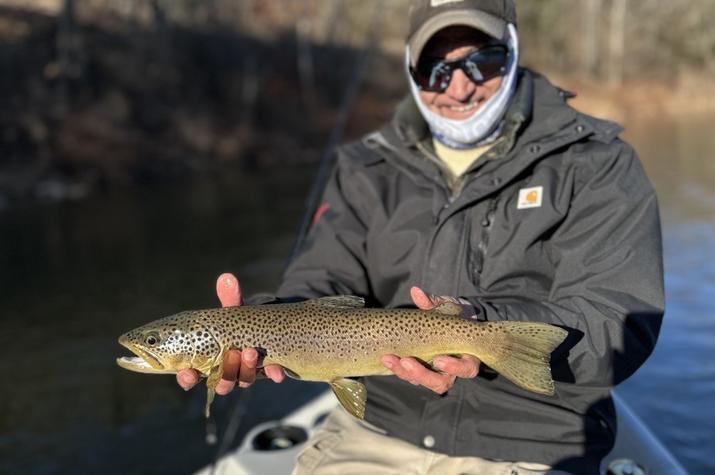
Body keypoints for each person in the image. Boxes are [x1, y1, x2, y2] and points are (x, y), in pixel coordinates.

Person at [178, 1, 664, 473]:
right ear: (412, 71)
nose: (457, 86)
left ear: (514, 53)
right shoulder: (365, 166)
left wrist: (477, 324)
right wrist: (259, 322)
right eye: (434, 67)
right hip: (379, 425)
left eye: (482, 62)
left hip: (532, 439)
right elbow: (322, 283)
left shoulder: (598, 165)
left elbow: (618, 321)